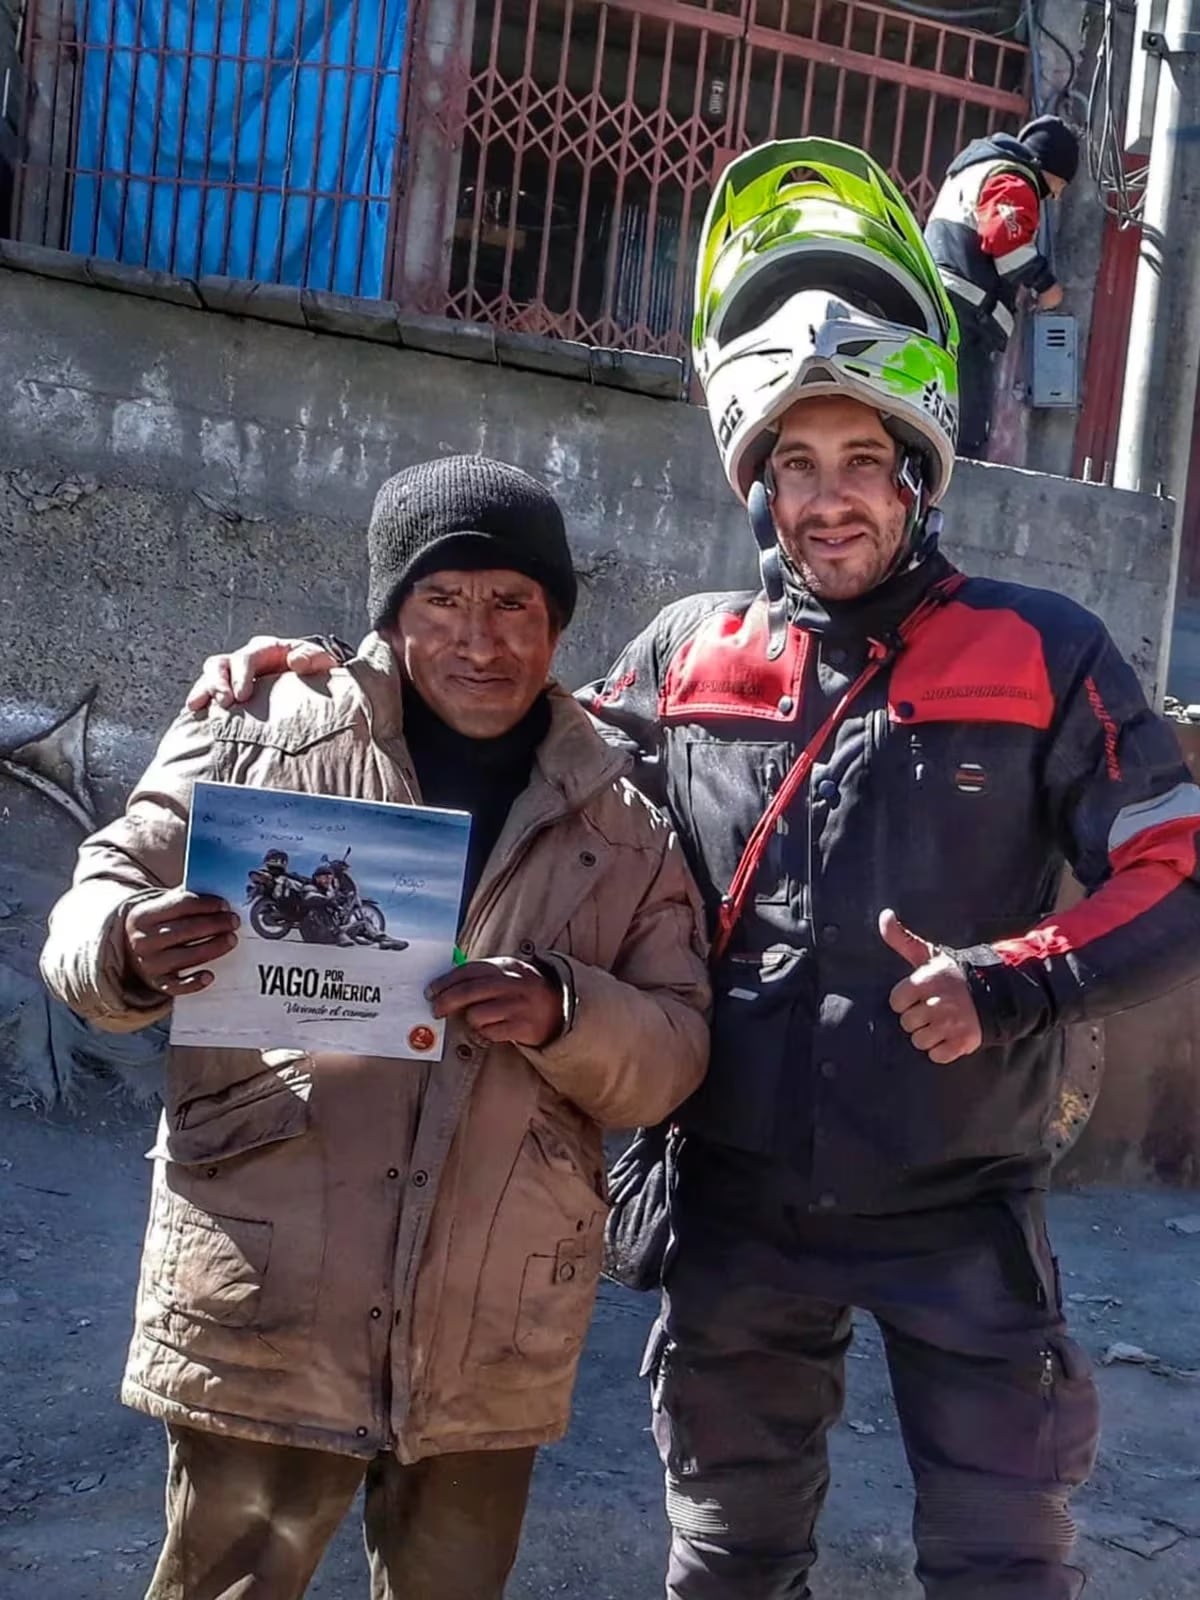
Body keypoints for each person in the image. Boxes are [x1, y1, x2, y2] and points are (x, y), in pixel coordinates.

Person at [181, 141, 1200, 1600]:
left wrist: (1011, 983)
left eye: (863, 461)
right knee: (728, 1564)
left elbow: (1175, 867)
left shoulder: (1045, 652)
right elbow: (508, 761)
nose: (828, 498)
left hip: (963, 1207)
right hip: (735, 1210)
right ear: (754, 480)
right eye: (795, 463)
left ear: (919, 470)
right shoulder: (687, 652)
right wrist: (331, 682)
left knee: (1004, 1566)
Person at [40, 455, 711, 1600]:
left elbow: (676, 1051)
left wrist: (565, 1009)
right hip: (270, 1286)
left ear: (557, 627)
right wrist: (124, 944)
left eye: (515, 605)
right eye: (441, 601)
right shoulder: (258, 730)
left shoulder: (620, 821)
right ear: (392, 613)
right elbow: (91, 901)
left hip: (485, 1322)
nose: (479, 639)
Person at [925, 114, 1080, 458]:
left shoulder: (978, 168)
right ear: (1049, 167)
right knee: (965, 430)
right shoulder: (1014, 178)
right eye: (1061, 185)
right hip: (966, 317)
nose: (1056, 196)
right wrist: (1046, 286)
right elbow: (1005, 242)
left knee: (939, 414)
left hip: (946, 306)